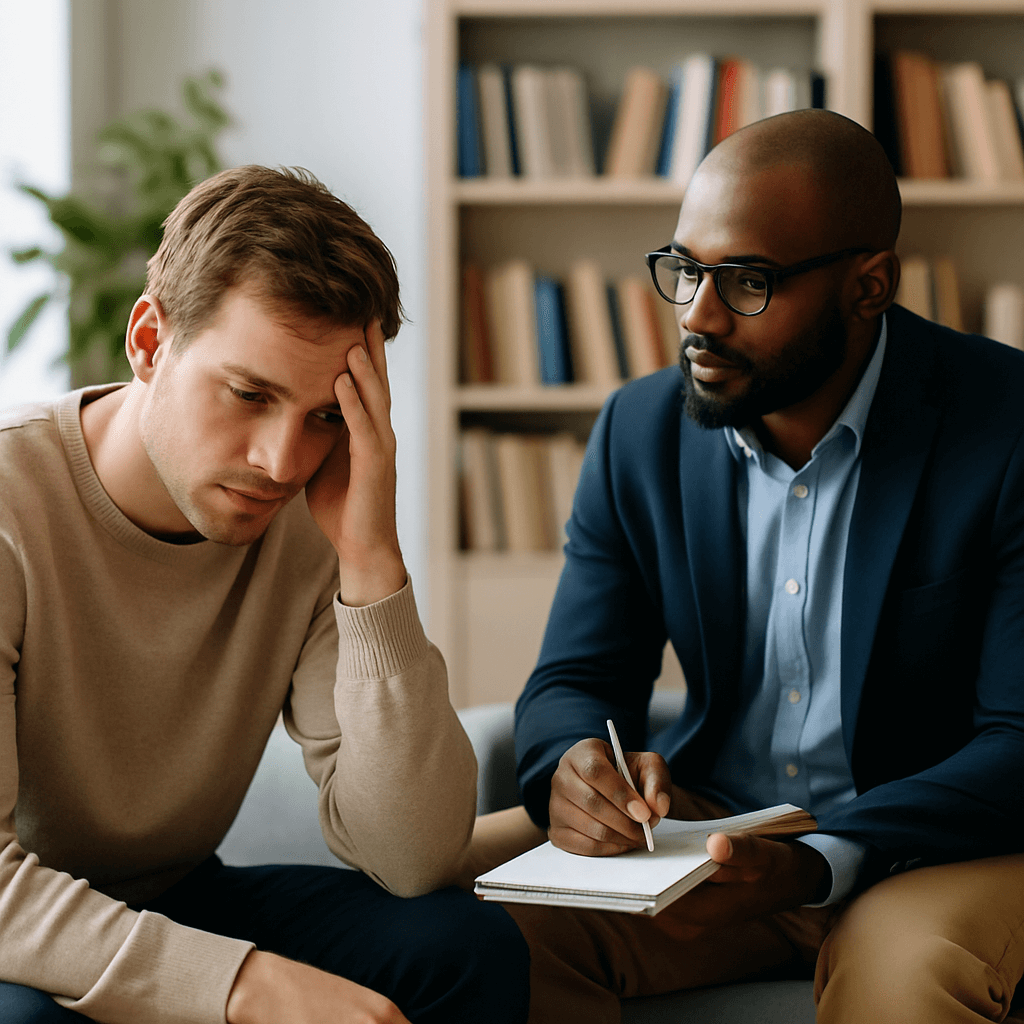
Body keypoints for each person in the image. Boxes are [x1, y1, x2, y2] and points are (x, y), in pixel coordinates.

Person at [487, 109, 1024, 1022]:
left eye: (747, 282)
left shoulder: (1007, 426)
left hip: (941, 847)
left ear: (869, 286)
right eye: (685, 268)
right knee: (463, 928)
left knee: (901, 976)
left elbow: (1017, 737)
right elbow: (577, 676)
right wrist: (576, 765)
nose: (696, 316)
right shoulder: (639, 432)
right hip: (717, 832)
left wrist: (818, 860)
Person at [0, 166, 529, 1024]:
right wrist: (243, 986)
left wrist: (370, 559)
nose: (282, 463)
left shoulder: (307, 520)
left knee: (462, 947)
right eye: (250, 395)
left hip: (174, 897)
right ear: (149, 341)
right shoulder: (10, 505)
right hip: (22, 922)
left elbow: (413, 858)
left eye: (326, 416)